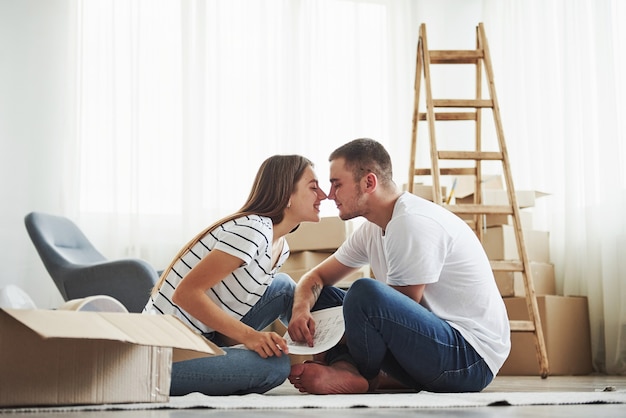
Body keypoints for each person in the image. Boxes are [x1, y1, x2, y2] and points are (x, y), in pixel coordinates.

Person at [287, 138, 511, 394]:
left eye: (337, 184)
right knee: (321, 296)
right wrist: (301, 311)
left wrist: (329, 340)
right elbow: (316, 277)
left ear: (369, 182)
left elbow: (387, 312)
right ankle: (349, 371)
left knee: (364, 294)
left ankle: (362, 375)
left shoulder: (412, 222)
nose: (329, 194)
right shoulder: (372, 228)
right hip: (427, 348)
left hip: (468, 359)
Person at [144, 154, 328, 396]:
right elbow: (185, 294)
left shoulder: (280, 247)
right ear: (287, 195)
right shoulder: (253, 230)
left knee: (284, 288)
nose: (324, 195)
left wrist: (256, 341)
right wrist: (251, 337)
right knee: (275, 365)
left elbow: (226, 327)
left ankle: (328, 363)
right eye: (313, 187)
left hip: (206, 339)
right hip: (164, 353)